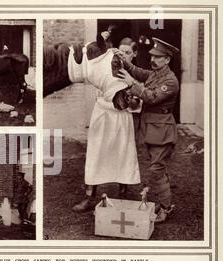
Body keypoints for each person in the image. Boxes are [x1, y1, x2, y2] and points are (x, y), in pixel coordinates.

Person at [71, 31, 141, 213]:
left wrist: (131, 92)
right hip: (102, 114)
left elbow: (138, 103)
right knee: (96, 153)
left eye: (127, 52)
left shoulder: (136, 74)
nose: (122, 55)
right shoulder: (107, 65)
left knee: (124, 154)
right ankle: (89, 198)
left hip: (122, 118)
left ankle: (123, 196)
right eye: (121, 51)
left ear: (134, 54)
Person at [117, 37, 180, 223]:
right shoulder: (155, 73)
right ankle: (164, 201)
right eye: (152, 56)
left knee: (155, 170)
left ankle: (167, 207)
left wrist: (131, 84)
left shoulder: (170, 80)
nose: (152, 60)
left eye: (158, 57)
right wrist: (124, 61)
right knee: (157, 168)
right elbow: (138, 71)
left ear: (167, 60)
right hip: (153, 130)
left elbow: (151, 98)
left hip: (163, 131)